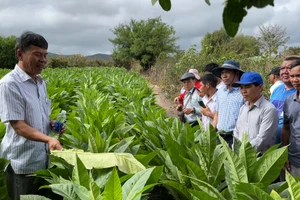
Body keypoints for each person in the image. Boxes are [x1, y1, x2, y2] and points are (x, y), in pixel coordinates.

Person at [0, 31, 64, 199]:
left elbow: (36, 117)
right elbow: (19, 126)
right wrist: (49, 139)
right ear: (20, 54)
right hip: (22, 163)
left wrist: (51, 124)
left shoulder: (40, 82)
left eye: (45, 55)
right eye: (37, 55)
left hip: (42, 161)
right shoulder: (10, 84)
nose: (43, 60)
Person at [232, 72, 278, 153]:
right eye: (241, 88)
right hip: (241, 156)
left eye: (247, 87)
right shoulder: (243, 108)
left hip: (259, 158)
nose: (243, 91)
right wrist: (235, 149)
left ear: (260, 87)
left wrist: (243, 152)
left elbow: (262, 140)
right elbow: (236, 131)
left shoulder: (268, 109)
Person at [211, 60, 244, 146]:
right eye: (222, 73)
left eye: (227, 72)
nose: (224, 76)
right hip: (220, 136)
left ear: (237, 74)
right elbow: (217, 113)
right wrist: (212, 129)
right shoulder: (220, 92)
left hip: (236, 137)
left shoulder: (243, 92)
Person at [270, 56, 298, 144]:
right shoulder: (277, 89)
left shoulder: (297, 93)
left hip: (291, 146)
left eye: (289, 68)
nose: (285, 71)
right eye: (282, 68)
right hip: (271, 143)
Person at [281, 59, 300, 178]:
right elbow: (286, 128)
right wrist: (284, 155)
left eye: (298, 76)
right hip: (294, 161)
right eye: (292, 76)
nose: (294, 80)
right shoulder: (289, 100)